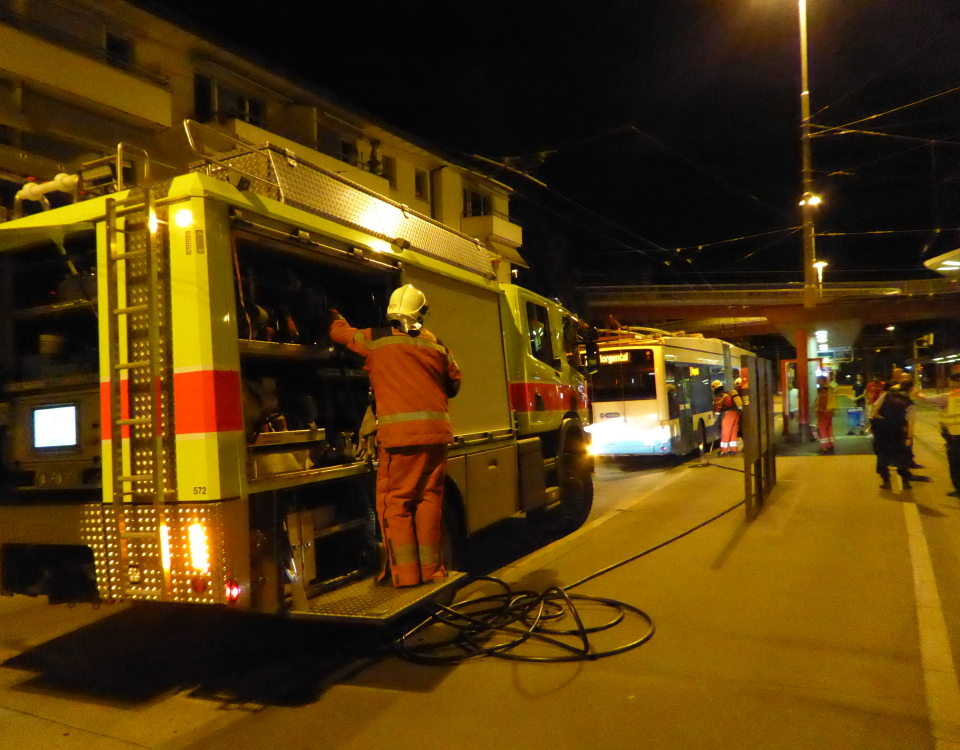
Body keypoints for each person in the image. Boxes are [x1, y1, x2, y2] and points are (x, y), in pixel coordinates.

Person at [328, 284, 462, 587]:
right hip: (437, 438)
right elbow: (454, 383)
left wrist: (332, 313)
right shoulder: (438, 346)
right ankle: (432, 571)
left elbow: (342, 335)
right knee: (429, 500)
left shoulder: (376, 340)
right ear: (422, 314)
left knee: (396, 503)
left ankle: (405, 576)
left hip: (401, 441)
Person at [916, 372, 960, 498]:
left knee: (956, 463)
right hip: (954, 435)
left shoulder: (949, 397)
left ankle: (959, 489)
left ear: (952, 382)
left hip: (954, 435)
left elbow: (928, 400)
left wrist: (916, 393)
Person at [871, 379, 915, 490]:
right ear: (910, 389)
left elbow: (875, 408)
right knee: (901, 456)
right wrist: (909, 437)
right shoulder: (909, 402)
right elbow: (910, 422)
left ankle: (886, 481)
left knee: (882, 455)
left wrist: (875, 421)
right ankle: (905, 482)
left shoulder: (887, 395)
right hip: (898, 430)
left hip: (882, 429)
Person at [712, 379, 741, 456]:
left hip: (728, 414)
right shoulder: (726, 393)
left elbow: (718, 408)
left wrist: (714, 419)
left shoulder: (719, 396)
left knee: (725, 432)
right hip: (735, 413)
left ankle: (723, 451)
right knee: (733, 432)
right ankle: (733, 450)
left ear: (714, 388)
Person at [815, 375, 838, 454]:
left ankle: (825, 447)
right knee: (829, 429)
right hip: (830, 412)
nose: (817, 381)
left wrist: (818, 411)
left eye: (818, 380)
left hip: (824, 412)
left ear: (823, 381)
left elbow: (822, 402)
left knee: (822, 429)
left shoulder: (823, 390)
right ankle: (831, 445)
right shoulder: (830, 389)